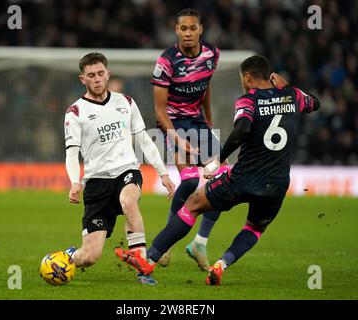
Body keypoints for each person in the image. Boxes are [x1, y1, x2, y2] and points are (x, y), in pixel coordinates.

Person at [115, 55, 320, 285]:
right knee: (254, 228)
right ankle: (220, 265)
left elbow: (242, 129)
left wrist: (218, 160)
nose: (242, 83)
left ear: (248, 76)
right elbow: (315, 103)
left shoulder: (248, 100)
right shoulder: (292, 95)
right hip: (277, 183)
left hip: (242, 178)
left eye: (242, 79)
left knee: (193, 204)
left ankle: (150, 258)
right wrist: (286, 86)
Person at [63, 52, 175, 285]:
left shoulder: (125, 102)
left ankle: (143, 269)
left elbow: (143, 139)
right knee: (90, 256)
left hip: (127, 171)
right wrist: (75, 181)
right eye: (91, 75)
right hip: (96, 182)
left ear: (108, 74)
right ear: (82, 79)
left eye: (101, 74)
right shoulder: (75, 112)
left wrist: (163, 173)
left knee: (129, 202)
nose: (97, 79)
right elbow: (72, 153)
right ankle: (70, 256)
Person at [150, 8, 229, 270]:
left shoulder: (211, 54)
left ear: (200, 30)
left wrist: (208, 121)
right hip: (172, 123)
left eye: (192, 28)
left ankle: (200, 244)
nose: (187, 33)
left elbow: (204, 87)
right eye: (183, 28)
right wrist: (176, 138)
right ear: (176, 30)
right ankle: (167, 243)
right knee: (192, 179)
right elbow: (159, 109)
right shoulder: (166, 62)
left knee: (222, 179)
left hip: (197, 121)